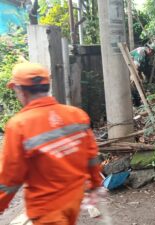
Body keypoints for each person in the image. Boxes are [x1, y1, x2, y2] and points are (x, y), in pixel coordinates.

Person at [0, 62, 102, 224]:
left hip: (47, 207)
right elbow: (91, 155)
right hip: (74, 198)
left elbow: (9, 179)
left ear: (20, 90)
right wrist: (95, 183)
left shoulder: (19, 125)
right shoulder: (77, 115)